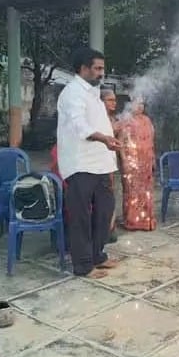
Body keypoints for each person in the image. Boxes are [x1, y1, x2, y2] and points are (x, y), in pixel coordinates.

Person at [57, 47, 120, 279]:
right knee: (81, 217)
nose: (102, 73)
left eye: (102, 68)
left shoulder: (93, 92)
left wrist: (109, 139)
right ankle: (82, 265)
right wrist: (104, 138)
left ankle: (97, 255)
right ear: (83, 68)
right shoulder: (72, 93)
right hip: (80, 164)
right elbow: (79, 126)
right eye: (97, 68)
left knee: (105, 212)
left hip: (101, 164)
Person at [117, 97, 157, 231]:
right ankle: (132, 221)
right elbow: (121, 143)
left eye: (142, 104)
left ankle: (146, 221)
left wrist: (153, 159)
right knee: (132, 191)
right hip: (132, 162)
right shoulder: (126, 120)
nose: (140, 107)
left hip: (146, 162)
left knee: (146, 191)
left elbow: (151, 142)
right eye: (136, 104)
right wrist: (124, 161)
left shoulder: (147, 120)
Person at [101, 88, 120, 243]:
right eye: (110, 100)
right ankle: (104, 229)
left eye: (114, 100)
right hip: (100, 163)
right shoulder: (98, 119)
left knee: (111, 194)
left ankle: (110, 227)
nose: (114, 103)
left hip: (111, 161)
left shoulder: (114, 119)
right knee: (104, 196)